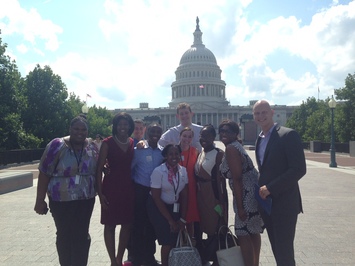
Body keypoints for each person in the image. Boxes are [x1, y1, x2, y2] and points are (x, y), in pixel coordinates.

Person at [34, 115, 98, 266]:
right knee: (64, 234)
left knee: (82, 235)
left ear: (87, 132)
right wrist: (39, 200)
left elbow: (98, 167)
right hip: (61, 200)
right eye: (76, 129)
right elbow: (44, 173)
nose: (79, 132)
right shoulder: (57, 145)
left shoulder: (92, 146)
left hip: (85, 199)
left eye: (83, 129)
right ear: (70, 129)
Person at [253, 100, 306, 266]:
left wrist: (270, 188)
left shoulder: (288, 135)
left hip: (285, 203)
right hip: (268, 204)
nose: (261, 116)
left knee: (284, 252)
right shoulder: (260, 139)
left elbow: (298, 169)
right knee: (277, 249)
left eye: (264, 112)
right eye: (257, 113)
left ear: (272, 112)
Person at [219, 119, 263, 266]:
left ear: (236, 133)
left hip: (245, 196)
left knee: (243, 233)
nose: (224, 134)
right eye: (222, 131)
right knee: (253, 231)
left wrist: (241, 206)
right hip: (253, 193)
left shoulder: (231, 149)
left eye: (228, 131)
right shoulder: (238, 145)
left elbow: (237, 178)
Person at [96, 112, 135, 266]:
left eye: (125, 124)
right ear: (115, 126)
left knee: (127, 224)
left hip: (127, 188)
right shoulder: (108, 143)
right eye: (120, 124)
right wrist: (100, 195)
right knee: (110, 224)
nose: (122, 127)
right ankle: (113, 261)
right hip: (111, 187)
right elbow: (99, 169)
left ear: (129, 126)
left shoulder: (132, 142)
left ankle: (119, 258)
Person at [147, 144, 189, 266]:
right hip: (157, 206)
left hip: (174, 206)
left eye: (176, 153)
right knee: (167, 239)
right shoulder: (159, 172)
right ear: (165, 156)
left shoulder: (183, 171)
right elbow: (156, 197)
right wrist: (170, 221)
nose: (174, 156)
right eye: (170, 154)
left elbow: (185, 195)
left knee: (176, 235)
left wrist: (182, 219)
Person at [129, 123, 164, 266]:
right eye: (152, 131)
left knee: (151, 226)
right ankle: (135, 257)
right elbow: (130, 169)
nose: (155, 134)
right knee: (137, 224)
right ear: (147, 132)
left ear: (161, 134)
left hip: (155, 193)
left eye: (157, 132)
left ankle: (149, 256)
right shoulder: (139, 150)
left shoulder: (163, 152)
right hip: (141, 191)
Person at [194, 124, 227, 265]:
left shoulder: (219, 154)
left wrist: (221, 202)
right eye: (202, 135)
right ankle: (203, 256)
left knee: (215, 226)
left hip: (213, 196)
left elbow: (221, 181)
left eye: (207, 136)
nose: (204, 139)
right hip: (200, 196)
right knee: (202, 226)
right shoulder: (201, 153)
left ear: (214, 137)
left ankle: (217, 259)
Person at [178, 127, 200, 238]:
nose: (187, 138)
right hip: (177, 188)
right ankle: (180, 242)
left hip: (191, 188)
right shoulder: (174, 150)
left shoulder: (195, 152)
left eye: (190, 136)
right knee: (178, 215)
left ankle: (191, 242)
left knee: (190, 218)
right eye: (184, 136)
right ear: (180, 136)